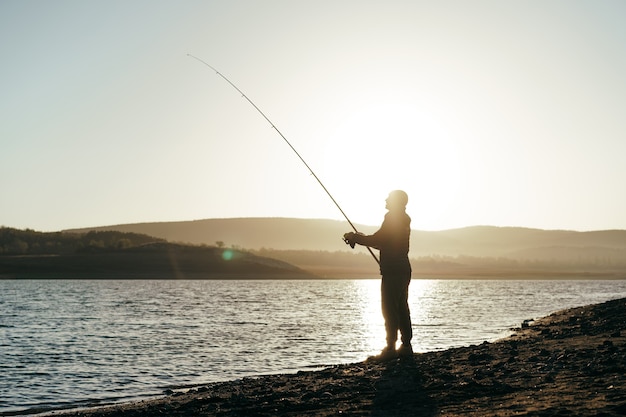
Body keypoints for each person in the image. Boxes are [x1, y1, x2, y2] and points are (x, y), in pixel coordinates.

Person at [343, 190, 413, 360]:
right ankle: (405, 346)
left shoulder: (393, 217)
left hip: (394, 271)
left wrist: (355, 238)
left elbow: (379, 240)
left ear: (396, 202)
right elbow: (385, 242)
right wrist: (359, 238)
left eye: (389, 198)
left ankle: (390, 348)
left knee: (389, 309)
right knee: (402, 308)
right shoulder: (403, 218)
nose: (386, 199)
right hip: (403, 269)